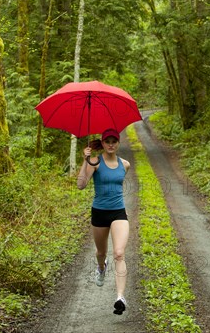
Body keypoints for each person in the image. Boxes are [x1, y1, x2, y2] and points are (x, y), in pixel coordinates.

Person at [77, 127, 130, 315]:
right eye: (107, 141)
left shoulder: (125, 164)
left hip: (118, 213)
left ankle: (120, 297)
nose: (110, 144)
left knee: (119, 253)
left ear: (118, 143)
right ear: (102, 143)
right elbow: (81, 185)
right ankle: (101, 267)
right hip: (99, 213)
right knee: (101, 252)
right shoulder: (95, 162)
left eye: (113, 141)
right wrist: (86, 161)